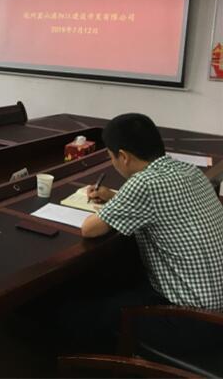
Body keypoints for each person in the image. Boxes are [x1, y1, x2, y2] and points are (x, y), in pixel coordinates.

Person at [63, 113, 223, 352]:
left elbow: (90, 229)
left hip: (194, 320)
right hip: (216, 307)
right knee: (118, 282)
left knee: (82, 314)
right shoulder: (188, 170)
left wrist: (110, 206)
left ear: (124, 156)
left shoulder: (144, 183)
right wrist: (113, 197)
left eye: (111, 157)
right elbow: (161, 203)